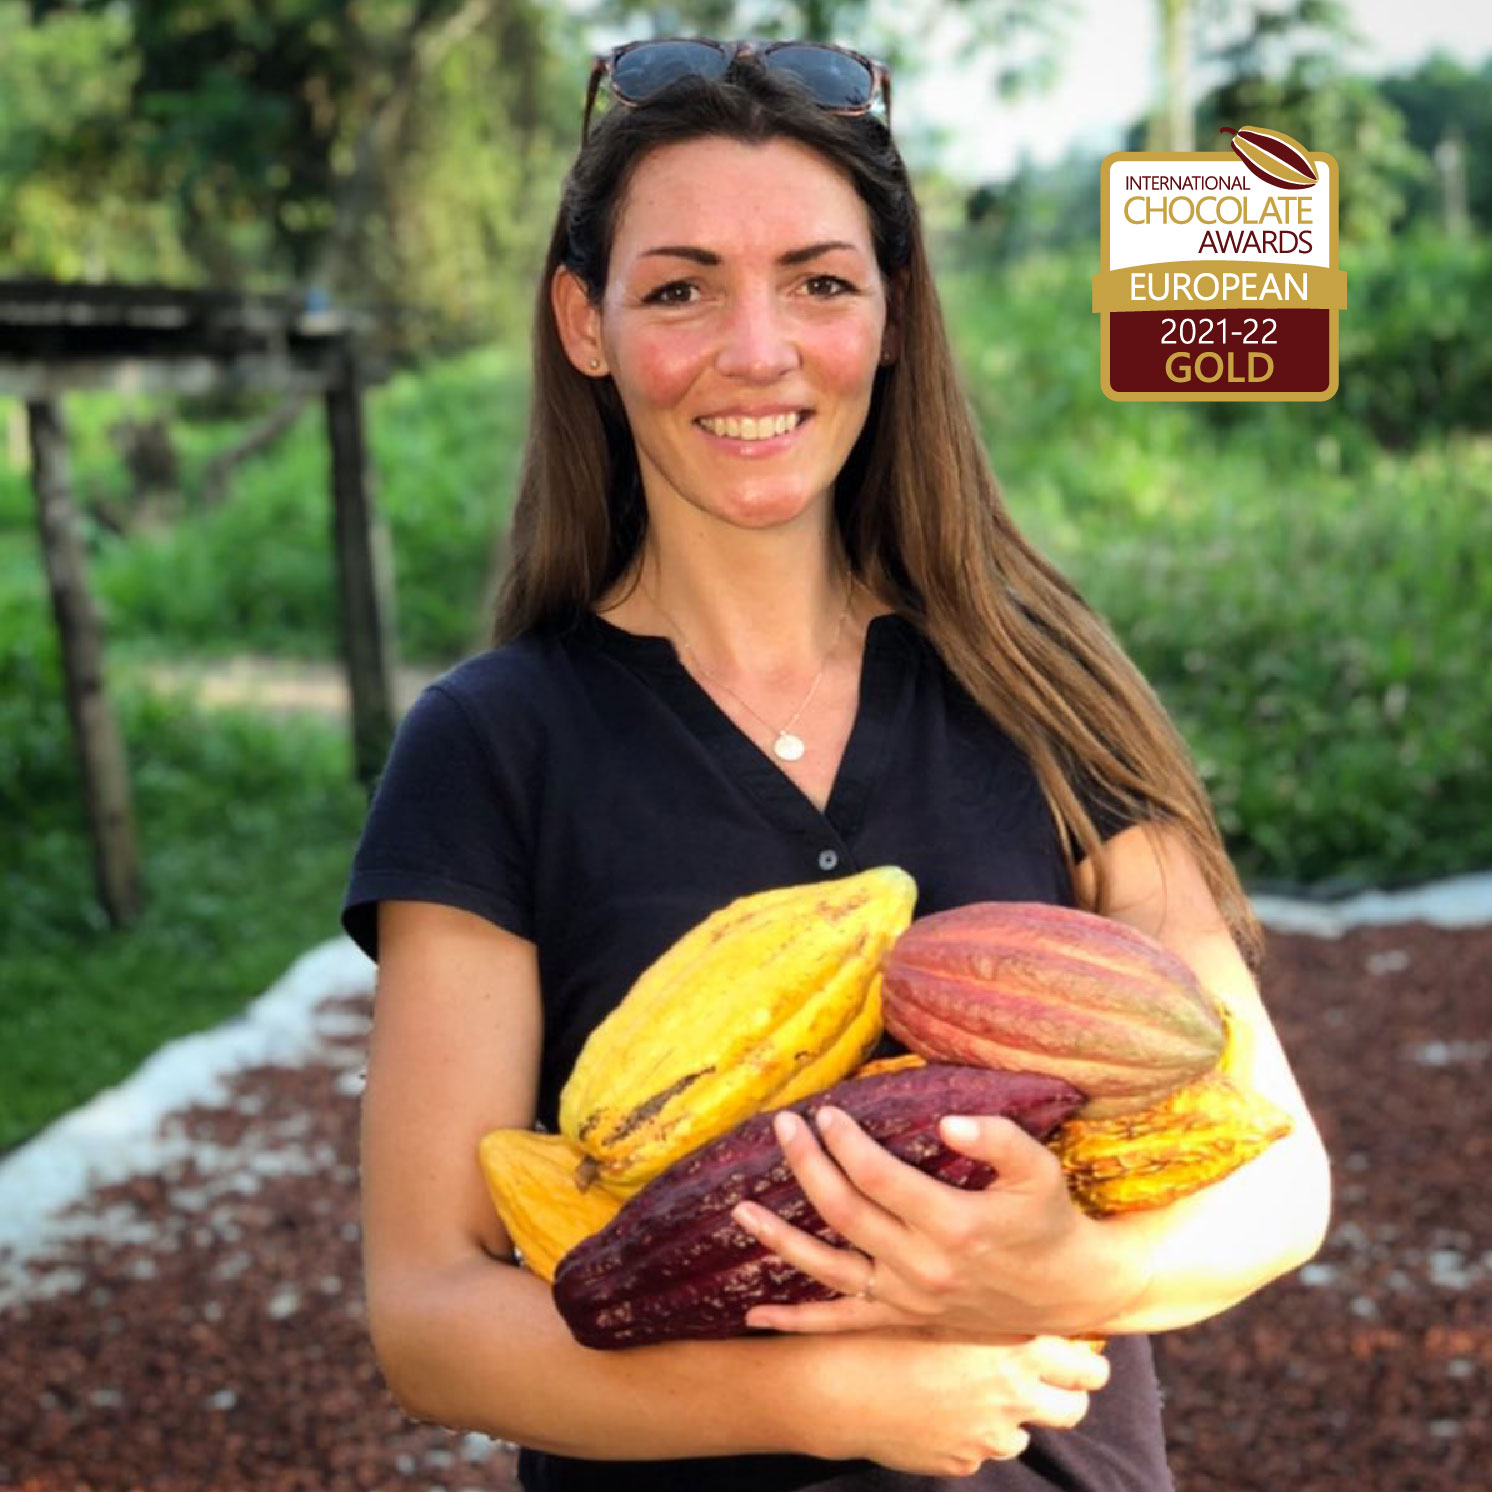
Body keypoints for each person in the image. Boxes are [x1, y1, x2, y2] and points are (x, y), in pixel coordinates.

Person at [342, 38, 1332, 1492]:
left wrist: (1062, 1267)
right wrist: (826, 1393)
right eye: (680, 288)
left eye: (819, 281)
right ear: (586, 321)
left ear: (892, 312)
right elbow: (431, 1312)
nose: (760, 351)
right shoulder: (496, 746)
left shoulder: (1038, 680)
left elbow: (1279, 1181)